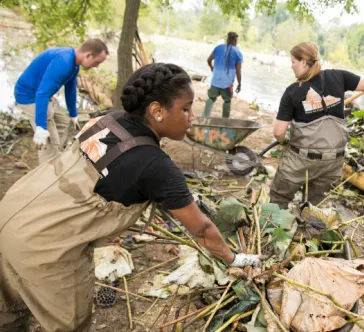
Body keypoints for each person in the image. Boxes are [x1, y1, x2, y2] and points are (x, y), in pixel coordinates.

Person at [0, 63, 260, 332]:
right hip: (44, 244)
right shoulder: (157, 167)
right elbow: (203, 229)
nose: (192, 117)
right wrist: (234, 259)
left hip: (13, 209)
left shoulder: (107, 120)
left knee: (8, 312)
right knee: (71, 324)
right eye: (186, 108)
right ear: (157, 111)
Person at [270, 42, 364, 208]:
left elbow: (278, 133)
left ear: (304, 62)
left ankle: (275, 224)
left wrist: (285, 141)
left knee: (279, 197)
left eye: (293, 62)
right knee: (315, 204)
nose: (291, 66)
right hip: (334, 160)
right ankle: (309, 223)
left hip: (302, 158)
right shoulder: (339, 76)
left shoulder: (292, 91)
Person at [14, 38, 109, 164]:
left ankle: (54, 151)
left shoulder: (74, 64)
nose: (97, 66)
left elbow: (70, 90)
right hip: (30, 96)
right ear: (88, 55)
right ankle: (48, 168)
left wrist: (73, 114)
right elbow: (42, 93)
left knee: (63, 122)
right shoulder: (64, 62)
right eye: (97, 62)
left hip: (42, 94)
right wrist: (41, 127)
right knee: (49, 140)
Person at [202, 32, 243, 118]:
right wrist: (239, 84)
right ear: (235, 41)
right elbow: (238, 71)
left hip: (215, 81)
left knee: (211, 98)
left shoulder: (218, 48)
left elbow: (209, 60)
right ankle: (225, 121)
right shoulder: (238, 53)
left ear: (227, 39)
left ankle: (204, 117)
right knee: (227, 101)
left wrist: (212, 68)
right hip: (227, 84)